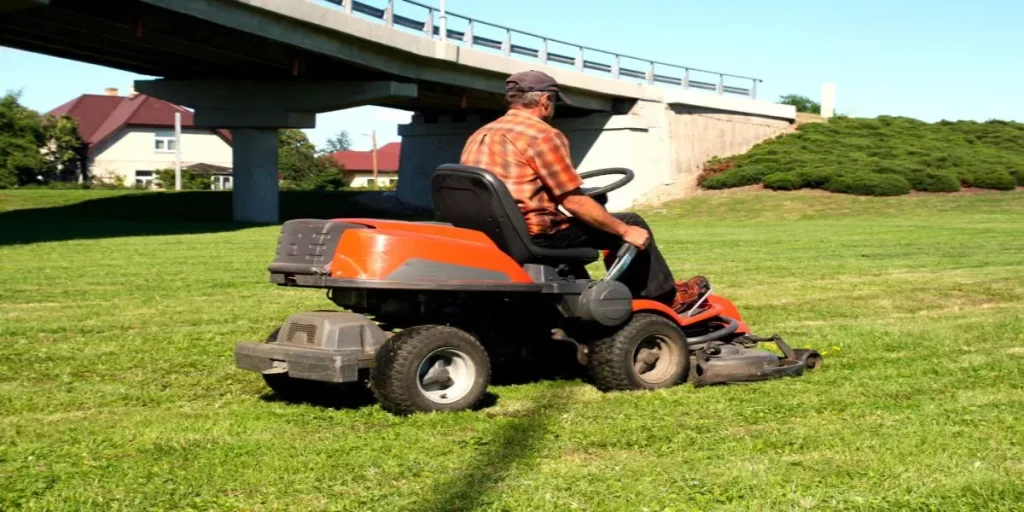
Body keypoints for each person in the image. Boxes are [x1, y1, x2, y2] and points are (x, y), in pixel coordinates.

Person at [459, 69, 710, 313]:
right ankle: (664, 299)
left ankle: (587, 294)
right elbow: (574, 203)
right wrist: (624, 231)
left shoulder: (481, 134)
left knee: (595, 223)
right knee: (632, 223)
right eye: (554, 101)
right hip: (536, 235)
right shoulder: (543, 136)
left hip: (493, 231)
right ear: (545, 101)